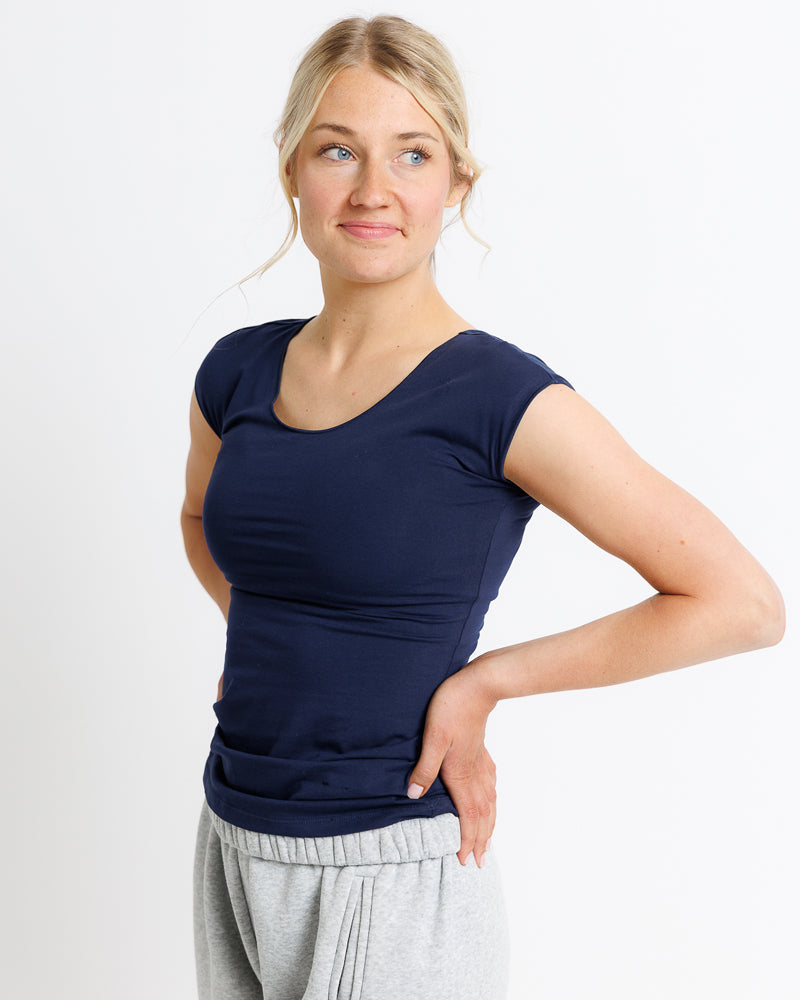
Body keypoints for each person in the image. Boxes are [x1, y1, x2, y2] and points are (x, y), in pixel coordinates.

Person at [181, 15, 784, 1000]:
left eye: (410, 154)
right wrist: (250, 634)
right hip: (234, 834)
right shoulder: (236, 369)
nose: (372, 189)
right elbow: (201, 520)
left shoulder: (498, 397)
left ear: (454, 183)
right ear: (293, 169)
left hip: (390, 861)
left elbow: (738, 602)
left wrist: (483, 683)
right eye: (338, 149)